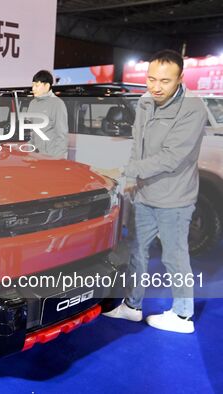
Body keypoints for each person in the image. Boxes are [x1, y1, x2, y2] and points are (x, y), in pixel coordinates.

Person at [101, 49, 207, 334]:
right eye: (151, 79)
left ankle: (183, 316)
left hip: (174, 198)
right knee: (136, 251)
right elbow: (138, 144)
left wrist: (126, 172)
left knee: (174, 256)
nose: (156, 87)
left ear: (180, 79)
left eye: (165, 81)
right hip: (145, 194)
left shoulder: (193, 108)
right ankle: (132, 306)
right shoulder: (146, 101)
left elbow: (172, 157)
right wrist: (133, 176)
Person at [27, 70, 68, 158]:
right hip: (36, 156)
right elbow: (32, 133)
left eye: (37, 85)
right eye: (33, 85)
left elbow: (61, 135)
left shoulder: (57, 103)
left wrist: (58, 159)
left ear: (47, 86)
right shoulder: (32, 103)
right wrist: (28, 151)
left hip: (51, 156)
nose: (33, 88)